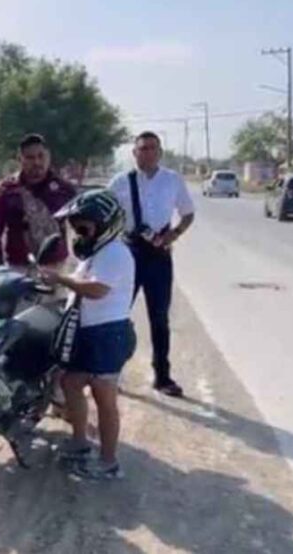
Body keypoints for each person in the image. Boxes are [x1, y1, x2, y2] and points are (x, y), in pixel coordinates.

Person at [39, 189, 135, 480]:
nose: (78, 233)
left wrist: (60, 278)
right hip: (87, 331)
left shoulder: (115, 253)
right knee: (70, 382)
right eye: (76, 227)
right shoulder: (96, 254)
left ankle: (108, 462)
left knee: (104, 396)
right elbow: (80, 283)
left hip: (107, 334)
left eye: (84, 227)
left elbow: (95, 290)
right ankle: (80, 441)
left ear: (104, 225)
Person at [107, 131, 195, 398]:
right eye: (142, 149)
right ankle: (110, 374)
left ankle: (162, 376)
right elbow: (104, 214)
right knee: (117, 315)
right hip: (128, 253)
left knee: (159, 317)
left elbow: (188, 213)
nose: (147, 153)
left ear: (160, 152)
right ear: (134, 153)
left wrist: (174, 234)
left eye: (152, 148)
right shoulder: (120, 182)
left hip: (159, 255)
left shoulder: (172, 180)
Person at [0, 134, 78, 271]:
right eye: (30, 158)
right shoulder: (7, 189)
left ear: (48, 157)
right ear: (20, 159)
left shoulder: (64, 189)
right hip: (18, 265)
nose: (37, 162)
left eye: (41, 156)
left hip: (54, 266)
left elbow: (82, 226)